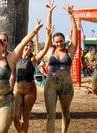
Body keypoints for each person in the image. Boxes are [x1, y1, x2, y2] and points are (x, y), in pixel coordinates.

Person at [0, 9, 43, 133]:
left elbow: (23, 43)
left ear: (3, 46)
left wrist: (35, 30)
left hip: (4, 102)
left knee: (1, 130)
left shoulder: (9, 59)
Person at [13, 2, 55, 132]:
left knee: (25, 117)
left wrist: (49, 16)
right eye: (27, 46)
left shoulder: (33, 59)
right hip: (17, 90)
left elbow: (47, 47)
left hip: (30, 91)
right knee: (15, 115)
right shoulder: (15, 56)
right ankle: (20, 130)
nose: (28, 48)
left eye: (30, 47)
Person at [44, 3, 78, 133]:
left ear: (65, 40)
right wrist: (49, 13)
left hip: (66, 85)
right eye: (56, 41)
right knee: (50, 115)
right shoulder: (50, 50)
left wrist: (71, 15)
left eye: (61, 40)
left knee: (66, 113)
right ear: (53, 42)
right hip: (51, 84)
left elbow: (74, 33)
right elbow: (48, 30)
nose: (59, 43)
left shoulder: (70, 51)